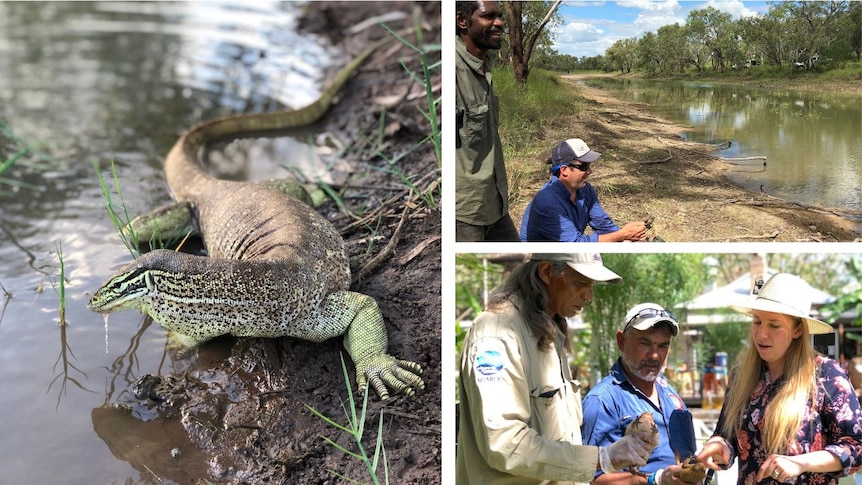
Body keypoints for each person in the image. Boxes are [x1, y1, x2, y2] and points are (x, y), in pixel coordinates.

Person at [457, 253, 654, 484]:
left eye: (591, 286)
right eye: (581, 283)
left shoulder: (549, 331)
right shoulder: (498, 334)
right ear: (546, 272)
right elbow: (504, 444)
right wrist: (604, 457)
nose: (589, 296)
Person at [696, 273, 862, 484]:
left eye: (774, 325)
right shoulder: (741, 374)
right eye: (757, 322)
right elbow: (726, 435)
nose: (761, 334)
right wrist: (719, 447)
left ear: (798, 330)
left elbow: (856, 447)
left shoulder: (826, 375)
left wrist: (801, 463)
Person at [582, 303, 698, 484]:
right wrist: (655, 480)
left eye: (663, 345)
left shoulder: (669, 393)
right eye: (645, 342)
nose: (654, 355)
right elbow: (591, 479)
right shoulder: (602, 401)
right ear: (621, 341)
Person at [455, 1, 519, 241]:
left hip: (494, 202)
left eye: (500, 16)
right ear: (462, 21)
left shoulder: (485, 64)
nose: (500, 23)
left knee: (520, 265)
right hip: (465, 212)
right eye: (488, 16)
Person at [519, 138, 648, 242]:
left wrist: (632, 235)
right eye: (584, 166)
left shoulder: (585, 190)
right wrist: (622, 235)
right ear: (564, 170)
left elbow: (602, 223)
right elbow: (576, 244)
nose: (589, 171)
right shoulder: (547, 203)